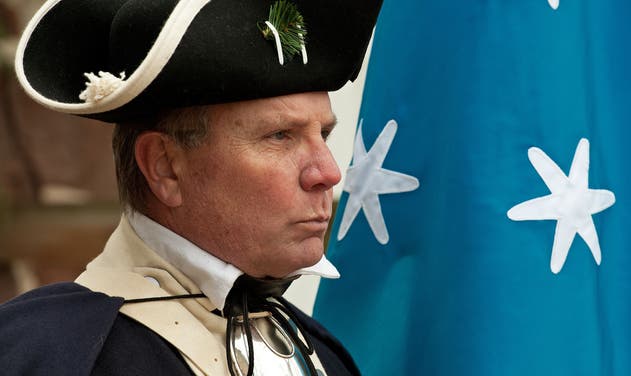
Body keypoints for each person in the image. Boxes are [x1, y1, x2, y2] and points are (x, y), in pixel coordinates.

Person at [0, 0, 382, 375]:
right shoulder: (49, 355)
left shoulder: (320, 355)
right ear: (165, 167)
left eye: (324, 136)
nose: (329, 173)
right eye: (280, 136)